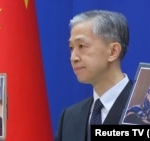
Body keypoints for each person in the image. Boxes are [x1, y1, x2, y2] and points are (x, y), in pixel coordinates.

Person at [54, 9, 133, 141]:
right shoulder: (69, 117)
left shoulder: (146, 111)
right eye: (71, 48)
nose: (73, 58)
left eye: (82, 46)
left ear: (113, 51)